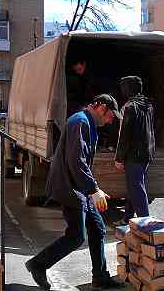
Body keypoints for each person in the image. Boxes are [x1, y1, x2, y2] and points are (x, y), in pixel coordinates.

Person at [25, 94, 125, 291]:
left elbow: (82, 162)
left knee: (97, 229)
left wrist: (94, 188)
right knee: (76, 236)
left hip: (79, 187)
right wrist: (93, 189)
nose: (111, 120)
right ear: (101, 107)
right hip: (69, 187)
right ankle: (38, 264)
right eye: (110, 115)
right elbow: (76, 161)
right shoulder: (79, 122)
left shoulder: (87, 123)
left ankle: (100, 278)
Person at [114, 76, 155, 225]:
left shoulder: (129, 107)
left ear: (127, 89)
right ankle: (127, 218)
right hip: (147, 152)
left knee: (136, 187)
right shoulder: (148, 104)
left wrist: (119, 157)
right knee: (134, 185)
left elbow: (124, 135)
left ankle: (146, 222)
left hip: (133, 154)